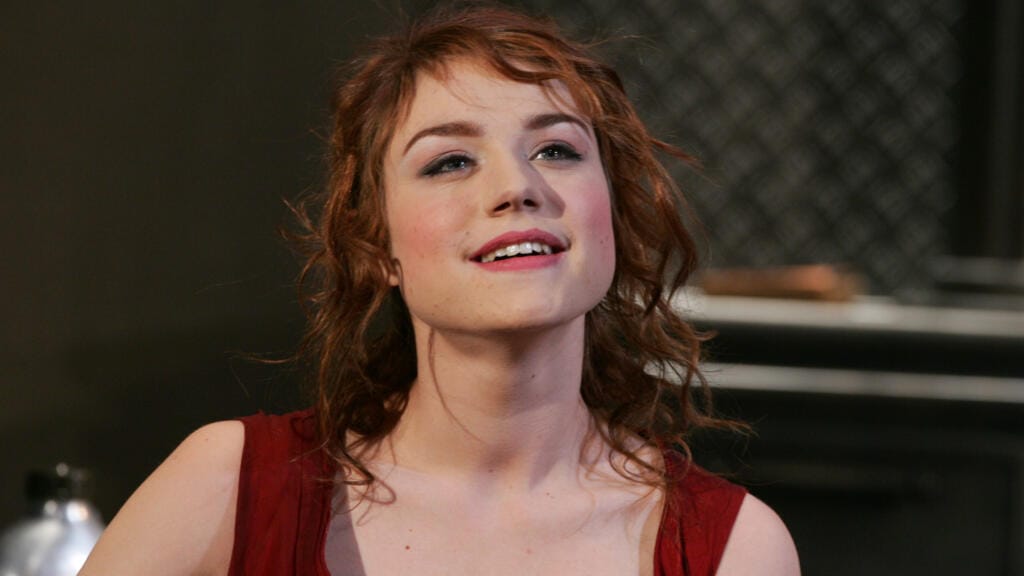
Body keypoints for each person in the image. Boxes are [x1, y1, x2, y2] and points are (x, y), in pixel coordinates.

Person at [81, 3, 799, 575]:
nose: (518, 186)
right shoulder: (230, 486)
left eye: (556, 149)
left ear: (610, 209)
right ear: (377, 246)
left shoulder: (734, 550)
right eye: (450, 161)